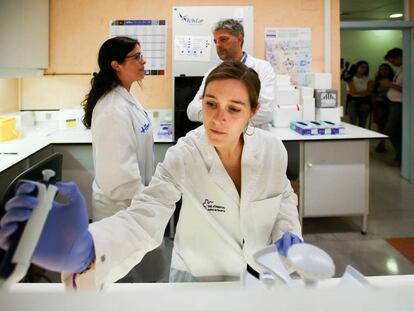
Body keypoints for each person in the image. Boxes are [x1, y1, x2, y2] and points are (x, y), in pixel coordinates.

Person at [0, 61, 302, 288]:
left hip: (262, 276)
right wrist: (90, 250)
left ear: (253, 111)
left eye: (234, 109)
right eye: (211, 104)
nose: (218, 118)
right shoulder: (185, 154)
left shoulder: (273, 150)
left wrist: (288, 232)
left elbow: (282, 197)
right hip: (198, 278)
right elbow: (145, 216)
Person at [81, 36, 167, 282]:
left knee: (142, 277)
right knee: (125, 284)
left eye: (141, 55)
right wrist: (152, 202)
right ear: (116, 65)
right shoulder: (113, 109)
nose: (143, 61)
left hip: (134, 204)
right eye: (136, 57)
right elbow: (120, 178)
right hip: (122, 208)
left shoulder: (126, 100)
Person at [187, 19, 275, 131]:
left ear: (239, 39)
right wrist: (237, 109)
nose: (218, 45)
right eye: (215, 41)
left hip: (253, 142)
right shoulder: (212, 73)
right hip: (221, 143)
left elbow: (266, 112)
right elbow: (192, 111)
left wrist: (212, 109)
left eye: (223, 39)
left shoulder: (262, 68)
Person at [380, 48, 403, 166]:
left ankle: (401, 157)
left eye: (392, 61)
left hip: (400, 104)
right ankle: (400, 156)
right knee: (395, 131)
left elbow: (407, 88)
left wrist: (390, 84)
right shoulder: (401, 69)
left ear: (399, 57)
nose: (392, 64)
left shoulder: (408, 69)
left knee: (391, 130)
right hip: (394, 103)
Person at [372, 63, 394, 152]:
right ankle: (382, 143)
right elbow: (373, 93)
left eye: (385, 69)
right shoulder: (377, 81)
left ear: (389, 70)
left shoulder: (393, 80)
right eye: (381, 69)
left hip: (391, 104)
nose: (383, 71)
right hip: (379, 104)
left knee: (390, 124)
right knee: (380, 124)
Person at [345, 60, 373, 128]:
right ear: (357, 67)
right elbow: (352, 91)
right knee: (352, 122)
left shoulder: (368, 78)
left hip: (365, 102)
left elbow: (369, 92)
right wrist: (363, 93)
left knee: (363, 123)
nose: (363, 69)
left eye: (365, 67)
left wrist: (359, 93)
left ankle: (362, 138)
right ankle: (353, 138)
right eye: (362, 67)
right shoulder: (350, 77)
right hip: (352, 101)